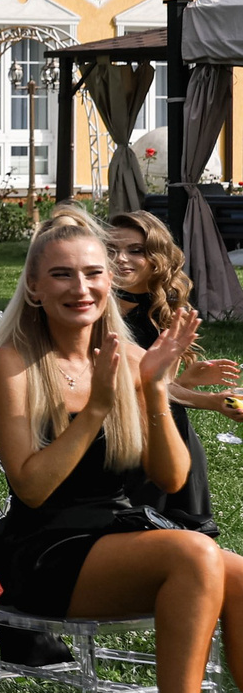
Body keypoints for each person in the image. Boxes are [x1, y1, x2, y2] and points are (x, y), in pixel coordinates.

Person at [0, 208, 243, 693]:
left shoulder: (124, 355)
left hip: (119, 530)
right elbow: (32, 489)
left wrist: (151, 389)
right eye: (63, 275)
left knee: (237, 574)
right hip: (45, 551)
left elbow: (170, 476)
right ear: (36, 288)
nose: (82, 288)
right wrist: (96, 409)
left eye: (93, 274)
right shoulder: (13, 362)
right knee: (196, 555)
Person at [109, 209, 239, 534]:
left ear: (157, 258)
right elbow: (135, 386)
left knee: (182, 539)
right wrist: (210, 401)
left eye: (135, 250)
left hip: (170, 432)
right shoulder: (101, 315)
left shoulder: (161, 312)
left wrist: (186, 380)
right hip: (126, 440)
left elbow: (160, 387)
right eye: (112, 250)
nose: (121, 259)